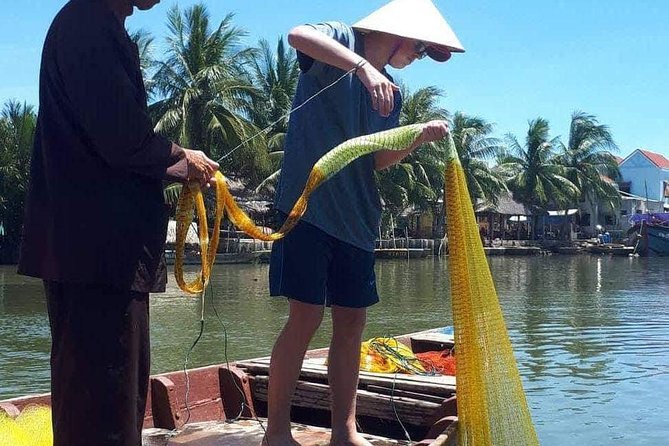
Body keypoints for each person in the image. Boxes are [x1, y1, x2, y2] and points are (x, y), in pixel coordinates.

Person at [17, 1, 219, 445]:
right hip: (97, 257)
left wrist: (175, 160)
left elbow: (114, 138)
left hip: (99, 255)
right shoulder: (89, 27)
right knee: (103, 410)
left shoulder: (90, 24)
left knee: (110, 403)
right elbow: (122, 138)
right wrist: (180, 160)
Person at [265, 1, 464, 444]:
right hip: (308, 206)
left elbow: (378, 160)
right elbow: (297, 34)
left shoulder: (392, 90)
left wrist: (416, 136)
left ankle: (345, 430)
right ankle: (276, 431)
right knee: (306, 315)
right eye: (419, 47)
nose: (419, 57)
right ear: (398, 33)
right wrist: (361, 68)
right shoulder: (341, 38)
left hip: (357, 218)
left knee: (352, 322)